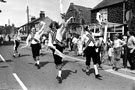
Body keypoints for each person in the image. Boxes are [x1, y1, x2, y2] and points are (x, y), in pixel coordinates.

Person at [48, 16, 73, 83]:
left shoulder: (59, 30)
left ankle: (59, 76)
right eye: (52, 26)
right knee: (56, 62)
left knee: (59, 61)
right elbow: (50, 41)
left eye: (54, 25)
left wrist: (65, 19)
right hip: (54, 47)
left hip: (59, 46)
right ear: (51, 26)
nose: (53, 27)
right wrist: (49, 46)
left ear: (56, 26)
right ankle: (59, 69)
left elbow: (64, 25)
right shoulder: (50, 33)